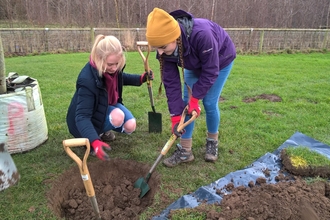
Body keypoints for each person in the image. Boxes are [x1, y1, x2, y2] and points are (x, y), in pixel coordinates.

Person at [146, 8, 236, 167]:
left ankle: (212, 141)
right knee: (187, 106)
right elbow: (171, 83)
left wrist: (196, 98)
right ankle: (185, 151)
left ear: (174, 38)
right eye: (156, 48)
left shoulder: (202, 34)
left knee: (208, 102)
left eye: (163, 47)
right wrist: (175, 116)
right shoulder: (165, 49)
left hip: (220, 61)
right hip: (193, 64)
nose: (159, 52)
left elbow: (210, 71)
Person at [66, 35, 153, 161]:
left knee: (130, 125)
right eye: (110, 64)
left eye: (117, 63)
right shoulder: (87, 80)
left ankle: (104, 129)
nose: (114, 68)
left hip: (105, 105)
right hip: (82, 121)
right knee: (117, 116)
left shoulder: (114, 69)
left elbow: (122, 77)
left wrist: (141, 78)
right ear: (99, 59)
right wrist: (94, 141)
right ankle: (95, 137)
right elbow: (82, 117)